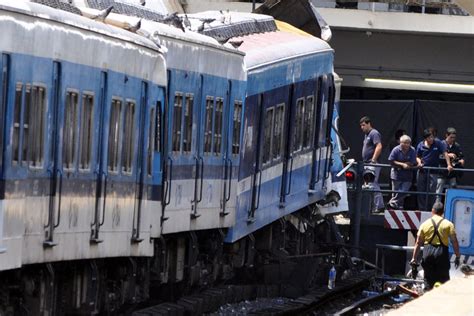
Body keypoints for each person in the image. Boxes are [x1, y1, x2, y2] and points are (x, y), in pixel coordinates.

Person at [410, 202, 460, 289]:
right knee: (444, 281)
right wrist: (457, 256)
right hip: (442, 254)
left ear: (432, 211)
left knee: (428, 280)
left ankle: (428, 297)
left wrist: (414, 258)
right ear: (442, 212)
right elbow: (454, 241)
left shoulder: (424, 224)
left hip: (428, 253)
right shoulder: (449, 224)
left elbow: (418, 243)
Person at [416, 129, 453, 212]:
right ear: (425, 138)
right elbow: (417, 156)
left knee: (432, 191)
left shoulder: (438, 143)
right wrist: (419, 162)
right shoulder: (420, 145)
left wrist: (449, 165)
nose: (431, 139)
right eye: (429, 138)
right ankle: (422, 209)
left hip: (433, 171)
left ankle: (430, 209)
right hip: (422, 171)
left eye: (432, 137)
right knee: (421, 190)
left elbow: (445, 153)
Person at [360, 116, 384, 212]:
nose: (362, 127)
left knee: (373, 183)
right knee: (368, 185)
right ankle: (372, 206)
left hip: (372, 163)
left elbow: (379, 146)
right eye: (361, 126)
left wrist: (373, 160)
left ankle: (379, 205)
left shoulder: (374, 133)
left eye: (363, 125)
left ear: (369, 123)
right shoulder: (367, 135)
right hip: (367, 163)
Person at [387, 135, 418, 209]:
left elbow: (413, 162)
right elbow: (391, 160)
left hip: (407, 175)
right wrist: (402, 164)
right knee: (395, 192)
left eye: (408, 143)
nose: (407, 144)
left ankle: (392, 202)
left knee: (404, 191)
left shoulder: (412, 150)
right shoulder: (396, 149)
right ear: (401, 143)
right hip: (396, 175)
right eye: (405, 143)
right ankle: (397, 207)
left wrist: (408, 164)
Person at [436, 127, 465, 203]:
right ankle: (437, 206)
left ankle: (450, 205)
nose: (452, 139)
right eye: (451, 137)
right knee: (439, 190)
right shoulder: (441, 144)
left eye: (454, 137)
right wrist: (448, 155)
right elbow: (437, 156)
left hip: (452, 172)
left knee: (453, 188)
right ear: (446, 135)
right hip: (442, 171)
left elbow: (461, 156)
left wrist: (461, 160)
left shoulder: (457, 146)